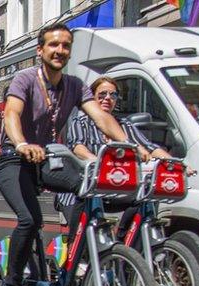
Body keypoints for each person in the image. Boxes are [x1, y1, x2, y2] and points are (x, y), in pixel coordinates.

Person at [0, 23, 137, 286]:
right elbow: (12, 114)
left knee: (90, 187)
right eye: (53, 45)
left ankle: (77, 261)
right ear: (40, 50)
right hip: (14, 160)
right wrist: (21, 143)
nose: (60, 50)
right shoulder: (25, 80)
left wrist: (126, 146)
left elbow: (101, 117)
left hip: (47, 159)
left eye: (66, 46)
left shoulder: (74, 85)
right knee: (30, 220)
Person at [58, 76, 189, 241]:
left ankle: (124, 246)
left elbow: (149, 147)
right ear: (91, 97)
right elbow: (78, 148)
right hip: (85, 189)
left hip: (113, 189)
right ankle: (75, 252)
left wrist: (178, 165)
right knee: (85, 234)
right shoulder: (81, 122)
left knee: (143, 199)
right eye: (102, 94)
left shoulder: (124, 125)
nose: (108, 98)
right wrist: (98, 163)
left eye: (113, 95)